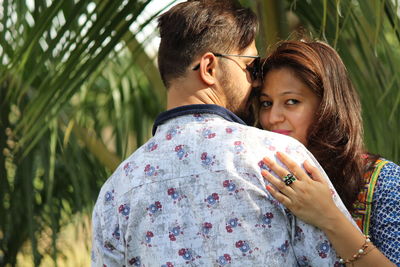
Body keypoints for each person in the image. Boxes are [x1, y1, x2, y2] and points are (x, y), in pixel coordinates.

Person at [91, 1, 354, 266]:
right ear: (209, 68)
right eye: (251, 67)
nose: (257, 81)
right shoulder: (280, 159)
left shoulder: (117, 190)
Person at [258, 40, 399, 266]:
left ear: (327, 106)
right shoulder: (263, 177)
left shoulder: (383, 182)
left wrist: (329, 215)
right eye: (266, 103)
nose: (273, 117)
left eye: (291, 102)